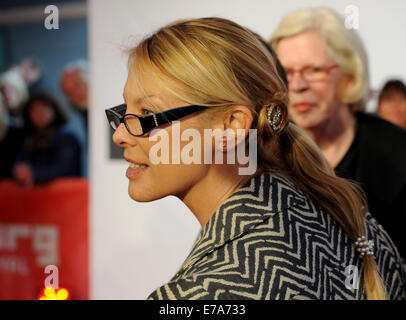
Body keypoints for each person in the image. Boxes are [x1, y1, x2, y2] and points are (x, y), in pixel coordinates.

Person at [107, 17, 405, 300]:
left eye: (147, 114)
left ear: (232, 125)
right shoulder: (335, 210)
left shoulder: (210, 292)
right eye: (124, 110)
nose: (120, 134)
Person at [269, 7, 406, 259]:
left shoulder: (399, 154)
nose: (297, 85)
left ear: (350, 76)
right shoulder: (264, 156)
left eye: (313, 70)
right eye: (286, 73)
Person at [13, 92, 81, 187]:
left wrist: (33, 174)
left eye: (44, 107)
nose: (39, 112)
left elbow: (63, 170)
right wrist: (19, 172)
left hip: (65, 194)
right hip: (37, 196)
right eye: (34, 109)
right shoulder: (29, 138)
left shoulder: (67, 136)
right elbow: (19, 165)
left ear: (54, 109)